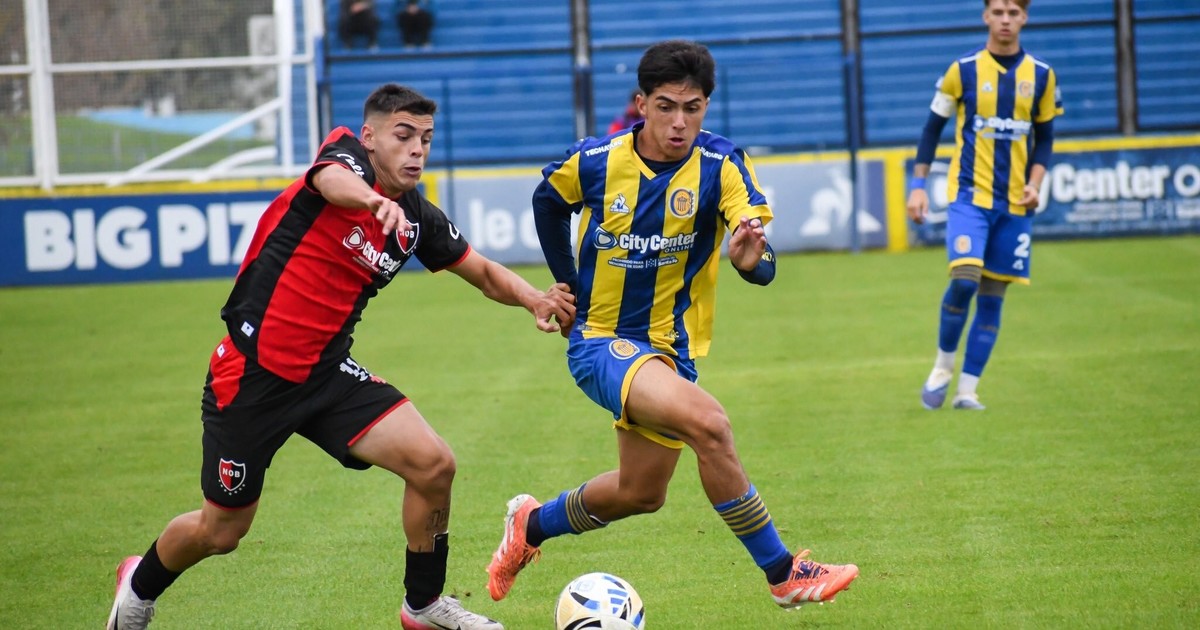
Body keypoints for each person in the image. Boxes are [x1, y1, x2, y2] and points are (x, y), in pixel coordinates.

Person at [105, 83, 576, 630]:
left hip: (328, 377)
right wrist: (372, 200)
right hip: (252, 375)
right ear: (370, 136)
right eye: (403, 136)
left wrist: (534, 299)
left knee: (433, 465)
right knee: (222, 531)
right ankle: (138, 585)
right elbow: (331, 180)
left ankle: (423, 606)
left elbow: (483, 271)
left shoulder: (416, 217)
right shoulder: (345, 158)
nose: (417, 149)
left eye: (425, 139)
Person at [485, 39, 859, 612]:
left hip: (671, 351)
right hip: (601, 341)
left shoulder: (722, 165)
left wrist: (752, 262)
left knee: (641, 492)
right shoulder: (596, 160)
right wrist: (566, 286)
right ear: (641, 104)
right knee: (710, 424)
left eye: (693, 107)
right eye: (666, 106)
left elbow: (760, 257)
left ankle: (531, 525)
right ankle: (784, 573)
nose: (679, 122)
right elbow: (548, 200)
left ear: (706, 106)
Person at [907, 0, 1062, 411]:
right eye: (998, 12)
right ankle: (943, 366)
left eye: (1013, 12)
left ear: (1024, 17)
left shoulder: (1042, 76)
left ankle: (967, 391)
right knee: (964, 280)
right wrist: (918, 186)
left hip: (1014, 207)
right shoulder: (962, 70)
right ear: (986, 16)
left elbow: (1045, 139)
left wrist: (1035, 184)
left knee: (993, 297)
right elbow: (931, 130)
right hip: (968, 198)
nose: (1005, 20)